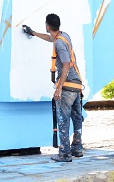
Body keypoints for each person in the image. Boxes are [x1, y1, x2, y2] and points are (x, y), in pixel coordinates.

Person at [23, 14, 84, 162]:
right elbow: (51, 38)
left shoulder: (59, 44)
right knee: (76, 118)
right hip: (76, 85)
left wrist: (59, 88)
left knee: (63, 119)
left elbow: (66, 64)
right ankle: (77, 148)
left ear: (48, 26)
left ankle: (64, 153)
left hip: (67, 85)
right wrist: (33, 33)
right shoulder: (63, 37)